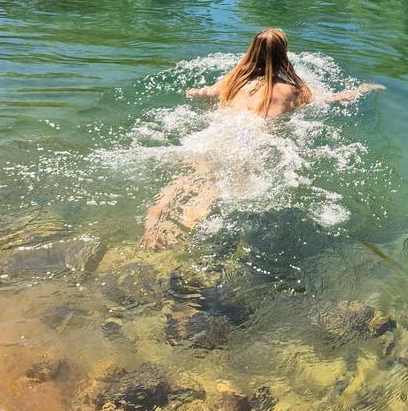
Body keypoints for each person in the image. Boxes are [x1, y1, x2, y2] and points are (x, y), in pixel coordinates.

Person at [143, 28, 382, 247]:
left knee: (186, 182)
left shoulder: (233, 81)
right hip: (249, 141)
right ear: (283, 55)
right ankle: (183, 243)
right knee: (210, 192)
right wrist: (362, 90)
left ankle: (154, 225)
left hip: (214, 135)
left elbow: (200, 93)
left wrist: (193, 92)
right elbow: (329, 99)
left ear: (251, 52)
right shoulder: (294, 90)